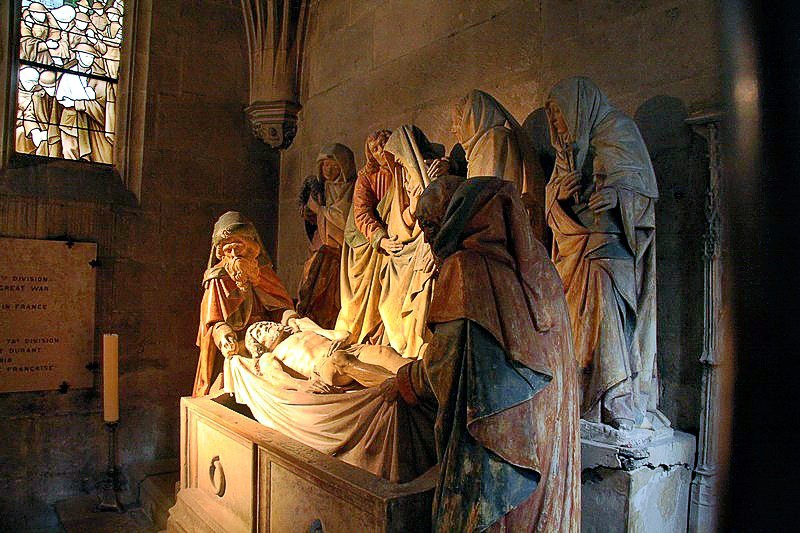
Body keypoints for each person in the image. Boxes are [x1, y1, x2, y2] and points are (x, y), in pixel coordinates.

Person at [387, 175, 580, 532]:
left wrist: (407, 378)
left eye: (431, 227)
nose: (428, 240)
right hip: (545, 433)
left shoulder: (466, 268)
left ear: (454, 217)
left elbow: (444, 365)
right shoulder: (539, 266)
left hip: (500, 444)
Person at [544, 76, 659, 430]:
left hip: (612, 247)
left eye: (559, 113)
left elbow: (646, 195)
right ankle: (577, 391)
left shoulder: (619, 129)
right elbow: (550, 204)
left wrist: (617, 196)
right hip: (574, 249)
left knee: (606, 304)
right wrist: (560, 195)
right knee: (572, 319)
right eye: (553, 116)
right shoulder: (567, 148)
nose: (557, 123)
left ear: (577, 106)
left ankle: (616, 394)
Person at [193, 211, 297, 397]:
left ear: (250, 246)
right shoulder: (218, 278)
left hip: (268, 338)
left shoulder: (264, 273)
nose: (234, 255)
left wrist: (290, 317)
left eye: (238, 246)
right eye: (228, 250)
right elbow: (212, 322)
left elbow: (279, 308)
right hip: (237, 344)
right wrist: (224, 335)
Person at [451, 89, 547, 239]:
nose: (453, 129)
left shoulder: (495, 139)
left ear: (472, 118)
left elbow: (495, 195)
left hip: (500, 228)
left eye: (458, 121)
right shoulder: (478, 150)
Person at [243, 318, 408, 391]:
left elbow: (343, 334)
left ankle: (418, 373)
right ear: (259, 346)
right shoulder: (269, 356)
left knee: (383, 351)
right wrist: (301, 385)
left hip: (346, 349)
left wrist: (342, 340)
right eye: (259, 332)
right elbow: (276, 376)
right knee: (340, 359)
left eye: (264, 325)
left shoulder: (303, 330)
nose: (265, 327)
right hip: (323, 367)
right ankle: (403, 385)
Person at [296, 144, 356, 328]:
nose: (329, 170)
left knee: (333, 290)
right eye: (325, 165)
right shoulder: (321, 189)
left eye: (334, 166)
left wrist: (319, 209)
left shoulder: (351, 187)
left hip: (340, 248)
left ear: (344, 166)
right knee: (311, 281)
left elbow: (345, 218)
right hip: (320, 243)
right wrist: (310, 212)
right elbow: (313, 218)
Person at [55, 43, 113, 162]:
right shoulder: (68, 75)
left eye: (91, 57)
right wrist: (78, 102)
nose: (89, 59)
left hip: (89, 121)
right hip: (70, 120)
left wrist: (81, 103)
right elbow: (61, 97)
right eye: (86, 56)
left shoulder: (100, 78)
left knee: (89, 156)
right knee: (69, 150)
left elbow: (105, 104)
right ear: (77, 56)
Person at [22, 70, 62, 158]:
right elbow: (29, 114)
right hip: (44, 135)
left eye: (53, 86)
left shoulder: (65, 97)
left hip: (61, 135)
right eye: (47, 87)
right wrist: (35, 131)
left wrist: (51, 133)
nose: (51, 90)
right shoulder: (37, 97)